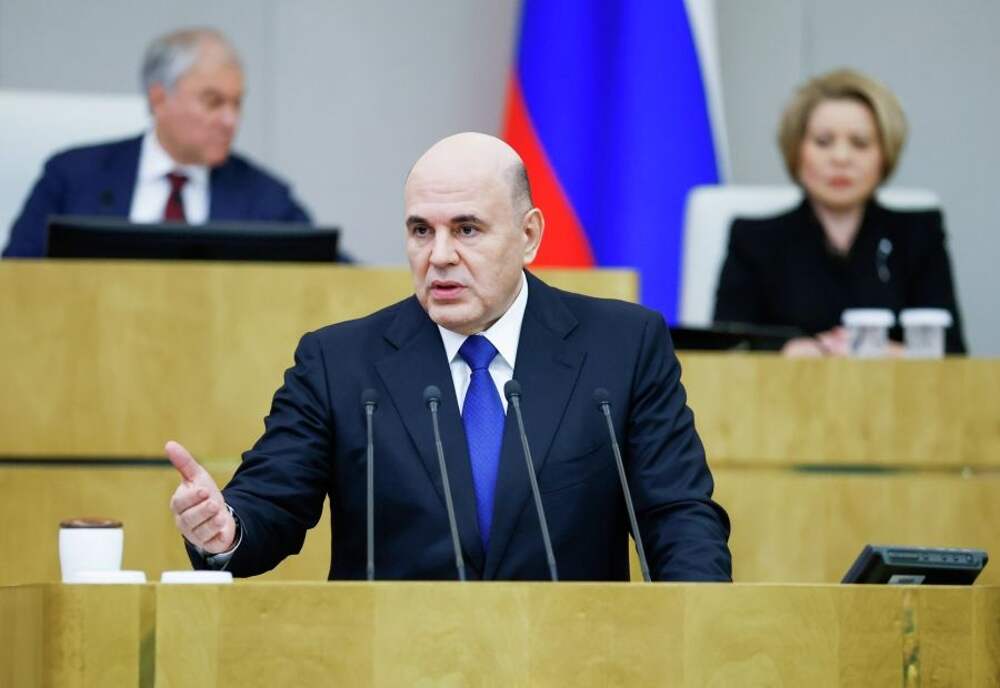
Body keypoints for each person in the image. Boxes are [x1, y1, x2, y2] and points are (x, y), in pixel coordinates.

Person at [166, 132, 731, 581]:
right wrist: (225, 530)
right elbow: (271, 502)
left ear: (529, 235)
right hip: (392, 664)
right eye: (421, 230)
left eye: (466, 229)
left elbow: (677, 516)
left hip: (570, 661)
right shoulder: (339, 362)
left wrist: (700, 630)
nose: (439, 256)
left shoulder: (622, 346)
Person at [713, 69, 966, 355]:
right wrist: (788, 351)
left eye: (860, 143)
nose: (841, 158)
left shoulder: (919, 234)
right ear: (796, 150)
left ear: (885, 154)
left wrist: (883, 352)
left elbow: (952, 354)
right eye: (823, 142)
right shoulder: (754, 239)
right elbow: (726, 348)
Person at [3, 28, 311, 258]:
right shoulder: (72, 177)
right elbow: (15, 279)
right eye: (213, 102)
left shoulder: (266, 198)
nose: (230, 120)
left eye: (237, 103)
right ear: (160, 99)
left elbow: (327, 280)